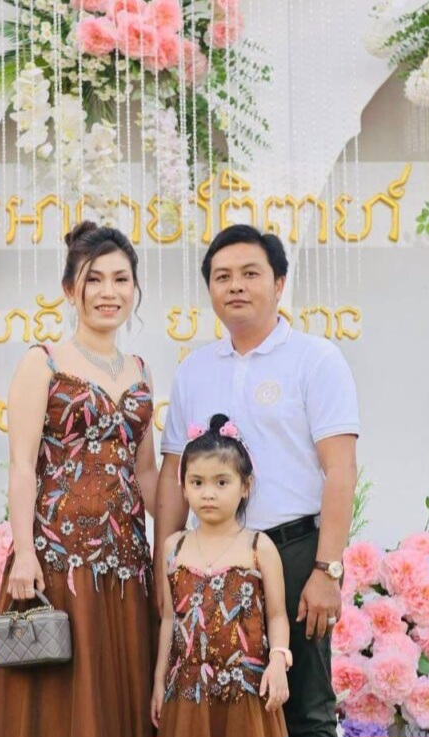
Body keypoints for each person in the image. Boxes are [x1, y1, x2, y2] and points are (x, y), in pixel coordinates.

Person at [154, 224, 359, 737]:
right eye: (222, 276)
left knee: (304, 707)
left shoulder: (316, 359)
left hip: (294, 553)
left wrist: (327, 570)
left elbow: (340, 470)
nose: (236, 286)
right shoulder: (194, 369)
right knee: (216, 705)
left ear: (279, 282)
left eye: (250, 273)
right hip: (208, 561)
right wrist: (165, 566)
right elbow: (173, 473)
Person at [0, 221, 159, 737]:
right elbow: (21, 466)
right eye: (94, 279)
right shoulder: (43, 362)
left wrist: (177, 542)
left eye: (121, 279)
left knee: (118, 698)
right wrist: (24, 553)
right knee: (63, 708)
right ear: (69, 289)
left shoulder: (141, 370)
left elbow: (146, 471)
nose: (109, 292)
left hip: (127, 565)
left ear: (134, 288)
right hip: (58, 562)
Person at [151, 413, 289, 737]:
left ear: (245, 486)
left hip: (245, 691)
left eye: (221, 482)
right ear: (184, 487)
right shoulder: (174, 547)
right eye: (197, 482)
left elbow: (277, 615)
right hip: (188, 692)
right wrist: (159, 681)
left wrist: (279, 661)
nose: (208, 493)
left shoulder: (259, 547)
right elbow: (169, 620)